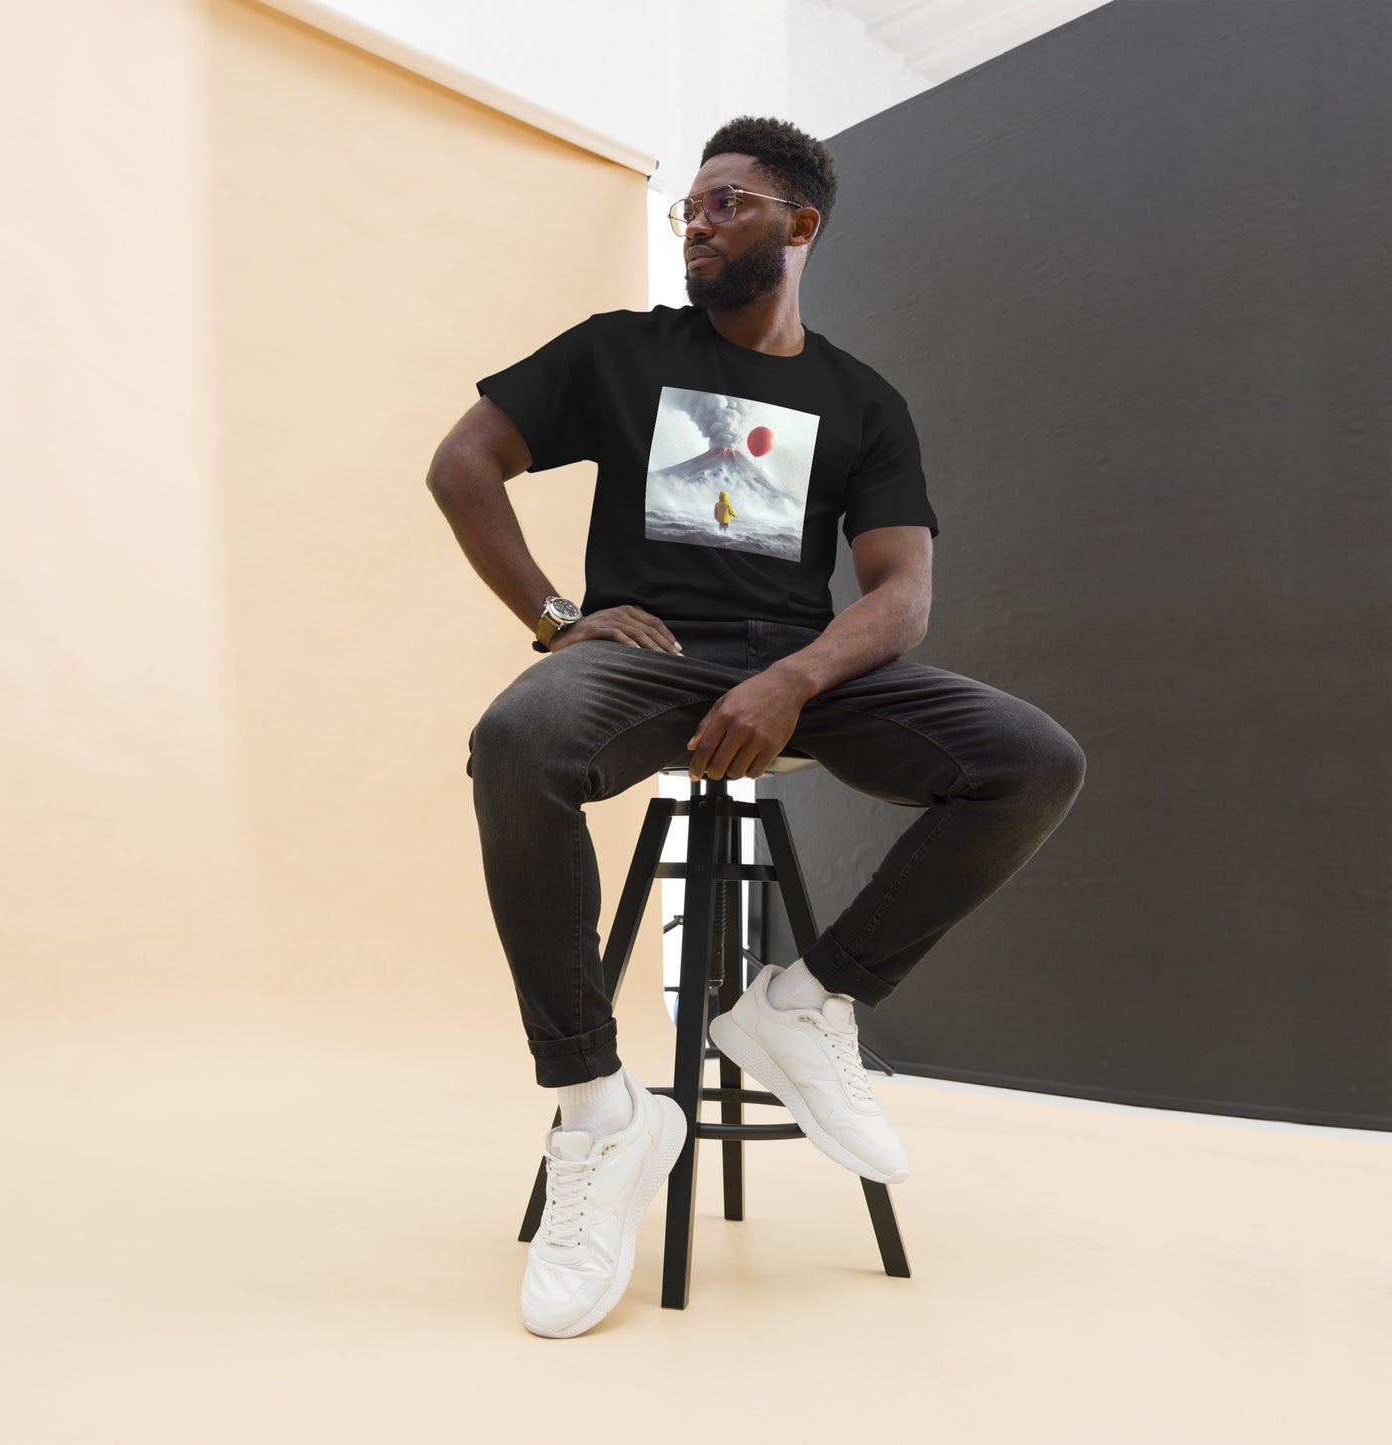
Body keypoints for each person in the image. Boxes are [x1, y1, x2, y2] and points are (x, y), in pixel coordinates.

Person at [427, 116, 1086, 1338]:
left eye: (724, 203)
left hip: (804, 672)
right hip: (649, 664)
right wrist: (559, 617)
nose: (696, 222)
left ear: (799, 224)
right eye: (687, 207)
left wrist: (793, 677)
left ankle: (803, 1001)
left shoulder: (859, 400)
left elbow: (899, 593)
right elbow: (463, 461)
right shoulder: (620, 354)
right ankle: (598, 1110)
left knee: (1031, 760)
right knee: (515, 742)